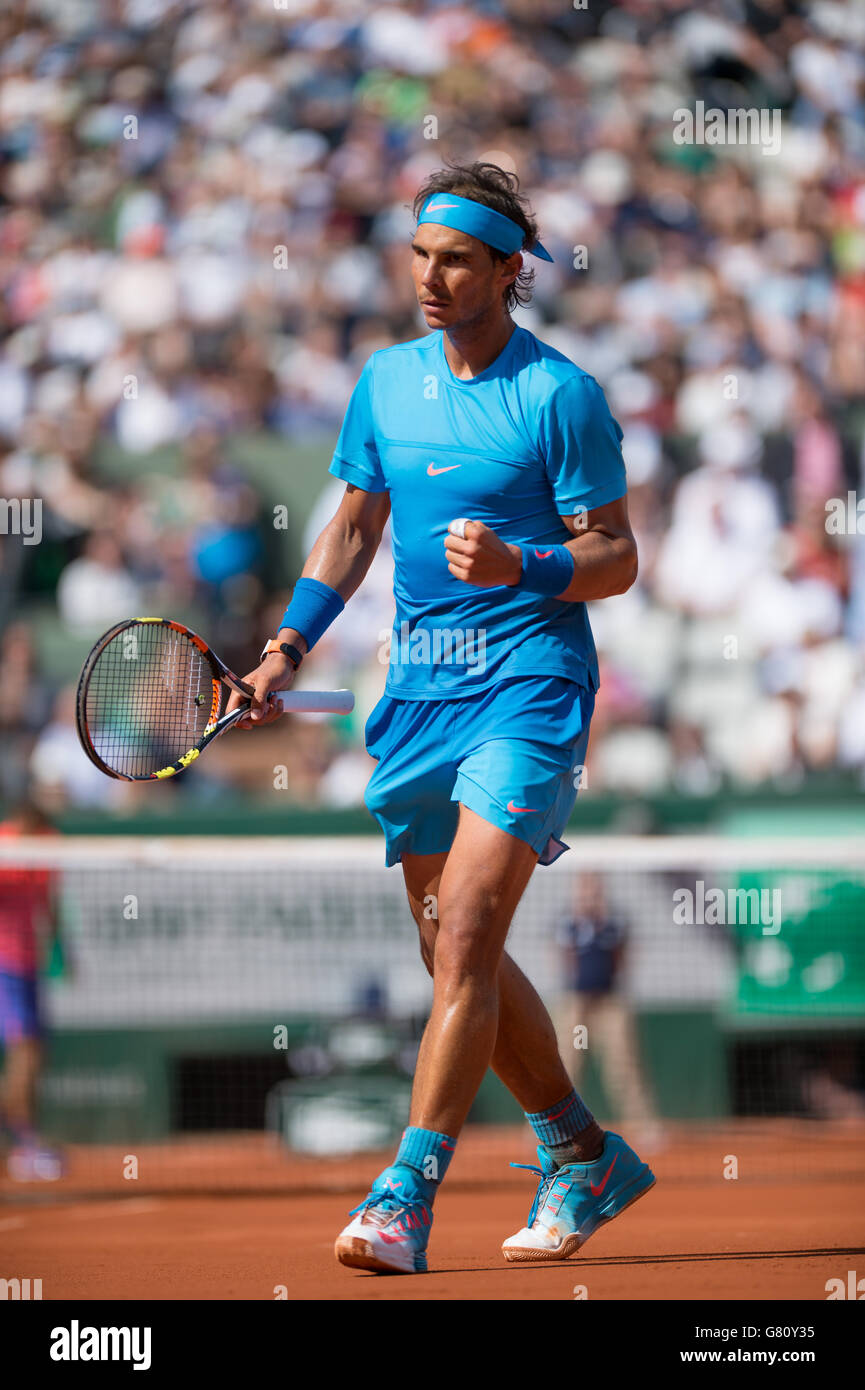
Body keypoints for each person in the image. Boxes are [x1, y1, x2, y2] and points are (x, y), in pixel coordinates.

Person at [227, 161, 654, 1274]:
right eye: (419, 253)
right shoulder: (384, 379)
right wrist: (287, 646)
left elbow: (617, 555)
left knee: (464, 930)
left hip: (530, 681)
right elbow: (354, 528)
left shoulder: (561, 395)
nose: (429, 275)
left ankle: (402, 1195)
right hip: (419, 691)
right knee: (449, 948)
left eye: (455, 257)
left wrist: (529, 562)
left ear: (510, 271)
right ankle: (581, 1150)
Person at [557, 872, 662, 1148]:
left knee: (624, 1062)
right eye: (584, 887)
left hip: (610, 1001)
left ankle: (644, 1125)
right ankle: (551, 1129)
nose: (589, 893)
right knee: (565, 1065)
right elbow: (562, 955)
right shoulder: (568, 922)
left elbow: (623, 955)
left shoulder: (614, 922)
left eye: (594, 887)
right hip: (577, 1002)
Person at [0, 800, 65, 1181]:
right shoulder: (3, 845)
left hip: (30, 964)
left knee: (34, 1055)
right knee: (23, 1054)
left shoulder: (49, 844)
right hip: (4, 967)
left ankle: (29, 1142)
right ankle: (25, 1147)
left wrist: (61, 951)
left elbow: (51, 903)